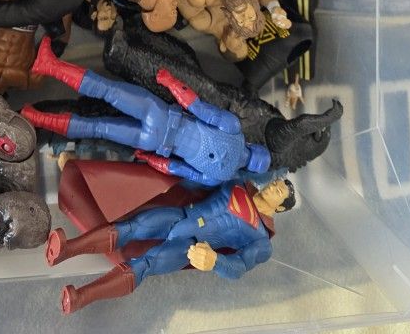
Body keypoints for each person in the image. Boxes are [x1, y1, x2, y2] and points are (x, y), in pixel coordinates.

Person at [21, 36, 272, 187]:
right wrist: (148, 158)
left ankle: (49, 66)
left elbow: (195, 105)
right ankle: (35, 118)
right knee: (98, 128)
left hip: (161, 115)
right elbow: (174, 169)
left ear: (254, 146)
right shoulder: (219, 177)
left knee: (107, 90)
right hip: (154, 143)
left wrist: (171, 82)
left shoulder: (233, 129)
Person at [44, 176, 295, 313]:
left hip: (191, 246)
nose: (272, 186)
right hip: (181, 215)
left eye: (278, 191)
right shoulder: (238, 183)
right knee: (129, 227)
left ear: (281, 208)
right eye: (276, 183)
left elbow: (238, 267)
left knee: (144, 265)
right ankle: (67, 249)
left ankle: (81, 297)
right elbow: (198, 182)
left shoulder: (261, 240)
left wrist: (216, 261)